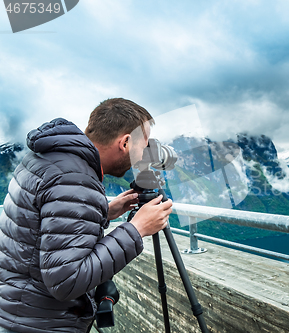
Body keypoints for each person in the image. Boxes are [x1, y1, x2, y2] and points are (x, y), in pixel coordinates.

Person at [0, 98, 172, 332]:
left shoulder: (50, 157)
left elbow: (41, 224)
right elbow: (66, 282)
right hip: (42, 322)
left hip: (18, 308)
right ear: (125, 142)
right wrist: (136, 230)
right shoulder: (76, 181)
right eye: (143, 146)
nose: (143, 155)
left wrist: (104, 212)